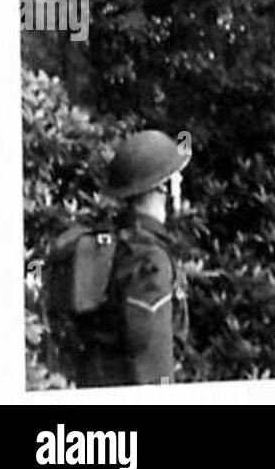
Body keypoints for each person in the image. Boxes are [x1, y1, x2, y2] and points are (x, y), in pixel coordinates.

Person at [63, 129, 192, 387]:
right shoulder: (149, 260)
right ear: (163, 186)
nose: (179, 182)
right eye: (176, 177)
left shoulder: (113, 245)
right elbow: (153, 361)